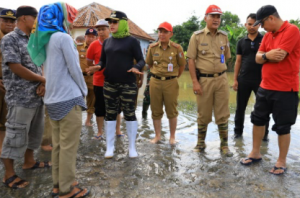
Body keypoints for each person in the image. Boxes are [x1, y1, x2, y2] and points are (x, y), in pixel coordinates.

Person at [28, 2, 89, 197]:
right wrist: (84, 90)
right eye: (69, 17)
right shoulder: (63, 37)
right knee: (69, 147)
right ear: (60, 17)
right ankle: (67, 189)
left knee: (59, 146)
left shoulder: (45, 39)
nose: (70, 21)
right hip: (69, 98)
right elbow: (75, 68)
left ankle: (57, 184)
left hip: (52, 99)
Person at [240, 5, 300, 175]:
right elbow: (259, 58)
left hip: (285, 88)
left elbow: (280, 55)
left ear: (271, 19)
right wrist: (267, 55)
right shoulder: (267, 36)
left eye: (263, 23)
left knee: (283, 126)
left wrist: (266, 55)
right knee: (258, 120)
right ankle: (255, 152)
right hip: (265, 86)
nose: (262, 27)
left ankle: (281, 161)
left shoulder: (292, 30)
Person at [1, 6, 48, 189]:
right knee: (14, 135)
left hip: (37, 96)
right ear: (23, 18)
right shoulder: (9, 39)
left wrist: (43, 83)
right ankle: (9, 174)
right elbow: (15, 66)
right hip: (20, 97)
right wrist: (43, 79)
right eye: (34, 18)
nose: (37, 21)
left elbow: (41, 63)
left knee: (34, 133)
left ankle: (29, 162)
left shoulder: (33, 39)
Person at [88, 11, 144, 158]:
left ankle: (132, 148)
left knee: (129, 113)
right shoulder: (107, 42)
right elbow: (103, 61)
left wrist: (136, 67)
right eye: (110, 22)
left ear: (123, 23)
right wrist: (97, 66)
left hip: (128, 83)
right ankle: (110, 147)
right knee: (110, 114)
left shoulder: (132, 41)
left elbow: (141, 60)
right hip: (109, 84)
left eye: (114, 22)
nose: (111, 25)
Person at [186, 5, 233, 156]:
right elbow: (191, 60)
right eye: (212, 16)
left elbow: (226, 57)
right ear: (205, 18)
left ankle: (224, 145)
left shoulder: (224, 37)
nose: (216, 19)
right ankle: (200, 143)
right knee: (203, 113)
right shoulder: (197, 36)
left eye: (218, 17)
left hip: (221, 79)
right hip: (204, 80)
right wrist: (195, 81)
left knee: (223, 113)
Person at [146, 22, 185, 144]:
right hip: (155, 82)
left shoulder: (177, 48)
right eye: (160, 31)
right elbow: (149, 64)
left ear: (171, 34)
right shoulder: (152, 48)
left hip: (170, 82)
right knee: (155, 110)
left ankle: (172, 137)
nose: (162, 34)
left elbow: (182, 65)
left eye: (165, 32)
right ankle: (157, 136)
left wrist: (173, 76)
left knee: (171, 110)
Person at [232, 13, 269, 141]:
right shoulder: (241, 42)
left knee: (263, 108)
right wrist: (235, 79)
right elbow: (238, 61)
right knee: (240, 107)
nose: (252, 27)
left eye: (255, 24)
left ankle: (264, 134)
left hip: (262, 80)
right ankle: (238, 133)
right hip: (244, 80)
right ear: (245, 25)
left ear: (259, 25)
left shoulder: (265, 39)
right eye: (249, 24)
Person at [86, 19, 123, 140]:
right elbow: (89, 61)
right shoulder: (94, 45)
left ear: (109, 29)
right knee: (100, 108)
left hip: (115, 81)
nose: (101, 32)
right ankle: (100, 132)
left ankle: (118, 130)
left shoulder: (117, 43)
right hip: (99, 81)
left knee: (117, 108)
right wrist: (96, 67)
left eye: (103, 29)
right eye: (99, 30)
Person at [0, 9, 16, 155]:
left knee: (5, 120)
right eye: (5, 21)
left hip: (9, 85)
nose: (9, 24)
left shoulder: (14, 39)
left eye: (12, 21)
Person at [77, 28, 97, 126]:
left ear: (96, 38)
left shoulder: (99, 48)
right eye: (89, 36)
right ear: (85, 37)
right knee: (78, 99)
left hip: (93, 77)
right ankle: (78, 120)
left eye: (93, 37)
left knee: (92, 99)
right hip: (81, 78)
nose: (91, 38)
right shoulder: (78, 47)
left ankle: (88, 120)